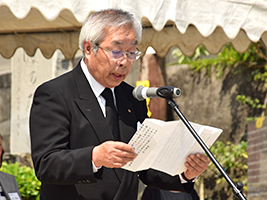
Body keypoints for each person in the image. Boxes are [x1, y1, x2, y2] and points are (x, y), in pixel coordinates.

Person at [30, 8, 210, 200]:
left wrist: (184, 174)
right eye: (116, 51)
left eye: (132, 52)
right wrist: (94, 156)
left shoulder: (131, 97)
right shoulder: (55, 93)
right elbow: (46, 164)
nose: (124, 61)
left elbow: (143, 165)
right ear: (89, 48)